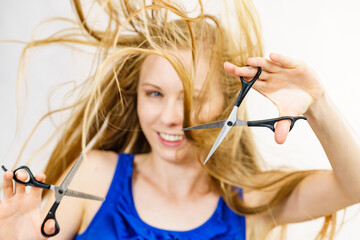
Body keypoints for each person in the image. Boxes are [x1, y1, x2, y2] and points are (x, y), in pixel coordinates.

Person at [1, 0, 360, 239]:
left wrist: (317, 103)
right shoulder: (94, 175)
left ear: (224, 101)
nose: (172, 117)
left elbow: (354, 185)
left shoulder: (249, 201)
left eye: (193, 97)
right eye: (155, 93)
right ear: (137, 96)